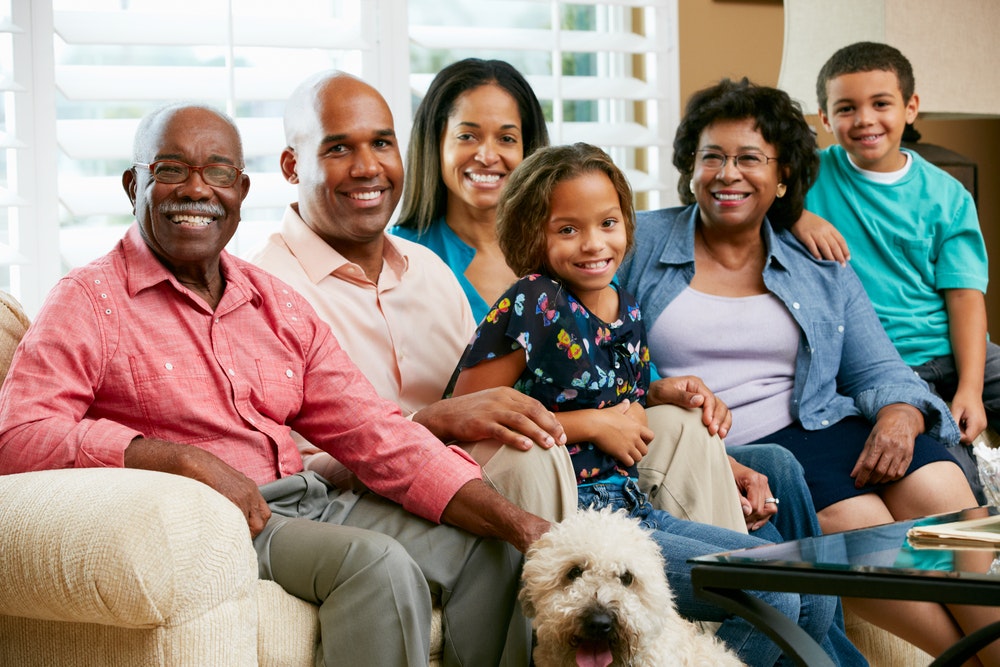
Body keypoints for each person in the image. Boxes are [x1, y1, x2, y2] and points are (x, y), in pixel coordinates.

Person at [0, 103, 552, 667]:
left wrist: (524, 525)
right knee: (374, 563)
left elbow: (378, 433)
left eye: (217, 173)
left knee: (495, 552)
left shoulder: (276, 304)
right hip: (220, 525)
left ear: (239, 191)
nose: (196, 190)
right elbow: (18, 436)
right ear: (132, 184)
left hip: (308, 503)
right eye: (170, 170)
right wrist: (180, 461)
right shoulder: (89, 299)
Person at [619, 76, 1000, 663]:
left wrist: (901, 414)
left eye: (750, 159)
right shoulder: (637, 242)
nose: (727, 174)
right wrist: (653, 392)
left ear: (783, 176)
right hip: (739, 447)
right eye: (711, 157)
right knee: (859, 519)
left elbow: (880, 366)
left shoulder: (815, 262)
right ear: (689, 166)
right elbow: (596, 356)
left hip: (825, 425)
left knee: (943, 487)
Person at [451, 141, 865, 667]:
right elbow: (468, 421)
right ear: (532, 232)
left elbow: (606, 392)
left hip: (632, 512)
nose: (593, 244)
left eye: (607, 223)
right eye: (567, 229)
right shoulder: (533, 300)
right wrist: (593, 425)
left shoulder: (624, 306)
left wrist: (656, 391)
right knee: (771, 596)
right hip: (575, 529)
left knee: (809, 584)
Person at [791, 41, 996, 502]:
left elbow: (965, 298)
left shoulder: (947, 195)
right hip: (887, 364)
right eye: (846, 108)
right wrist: (798, 216)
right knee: (955, 471)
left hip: (952, 346)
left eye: (881, 104)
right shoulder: (809, 180)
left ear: (910, 108)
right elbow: (761, 203)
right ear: (824, 118)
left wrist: (971, 388)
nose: (865, 119)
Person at [393, 58, 549, 324]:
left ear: (528, 150)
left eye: (507, 139)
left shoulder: (568, 245)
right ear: (435, 144)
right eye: (467, 136)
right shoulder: (396, 257)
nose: (488, 156)